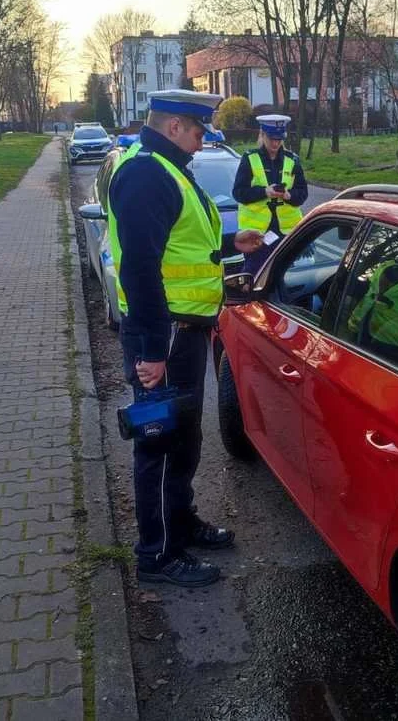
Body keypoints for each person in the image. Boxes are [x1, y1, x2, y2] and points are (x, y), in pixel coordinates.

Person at [107, 89, 263, 588]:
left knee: (186, 436)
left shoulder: (166, 165)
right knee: (158, 441)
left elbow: (177, 245)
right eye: (197, 132)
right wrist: (152, 352)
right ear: (174, 125)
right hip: (166, 335)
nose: (201, 143)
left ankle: (182, 521)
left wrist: (227, 245)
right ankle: (156, 554)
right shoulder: (147, 173)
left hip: (184, 331)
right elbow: (140, 268)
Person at [231, 114, 308, 274]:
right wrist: (265, 192)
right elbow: (239, 193)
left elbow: (302, 193)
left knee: (285, 278)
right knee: (255, 277)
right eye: (272, 138)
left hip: (287, 233)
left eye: (279, 139)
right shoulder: (249, 159)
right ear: (262, 135)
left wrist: (288, 196)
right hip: (257, 235)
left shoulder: (292, 160)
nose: (275, 143)